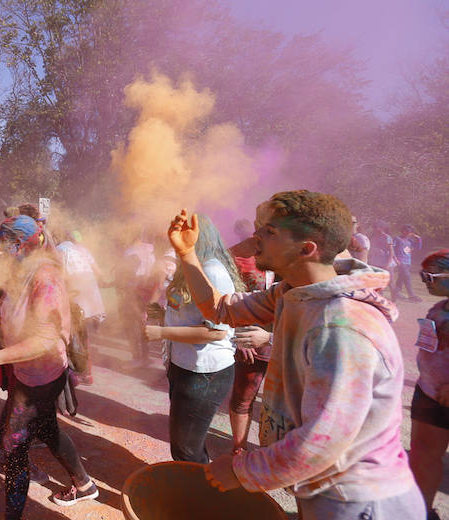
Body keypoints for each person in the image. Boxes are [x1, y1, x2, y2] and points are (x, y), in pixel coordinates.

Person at [169, 191, 424, 519]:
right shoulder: (292, 293)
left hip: (358, 503)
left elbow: (323, 440)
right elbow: (220, 308)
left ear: (306, 249)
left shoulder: (343, 326)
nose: (256, 237)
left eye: (270, 231)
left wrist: (241, 471)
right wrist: (188, 255)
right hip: (322, 488)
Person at [0, 215, 98, 519]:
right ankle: (84, 483)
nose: (1, 248)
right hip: (26, 372)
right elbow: (2, 317)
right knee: (47, 429)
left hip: (42, 374)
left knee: (14, 443)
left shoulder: (45, 278)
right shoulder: (19, 272)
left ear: (25, 243)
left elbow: (45, 339)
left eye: (7, 241)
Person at [142, 214, 243, 463]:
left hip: (204, 373)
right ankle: (197, 483)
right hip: (183, 365)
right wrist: (163, 313)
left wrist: (161, 333)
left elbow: (216, 331)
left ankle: (195, 496)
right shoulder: (189, 266)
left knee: (185, 448)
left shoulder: (212, 270)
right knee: (186, 442)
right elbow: (189, 310)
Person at [227, 219, 273, 454]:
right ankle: (239, 449)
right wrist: (238, 333)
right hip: (251, 341)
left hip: (282, 341)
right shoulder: (236, 258)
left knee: (281, 403)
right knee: (243, 397)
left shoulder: (290, 256)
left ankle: (274, 452)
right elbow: (226, 299)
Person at [409, 250, 449, 520]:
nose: (425, 281)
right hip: (428, 392)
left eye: (430, 276)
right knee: (423, 455)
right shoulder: (440, 306)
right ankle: (421, 512)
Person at [56, 230, 107, 385]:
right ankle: (87, 374)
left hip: (75, 297)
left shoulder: (61, 249)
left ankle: (76, 373)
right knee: (84, 336)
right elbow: (99, 273)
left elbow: (62, 274)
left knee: (72, 335)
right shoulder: (84, 251)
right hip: (91, 298)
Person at [393, 224, 423, 301]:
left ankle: (395, 292)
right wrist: (395, 259)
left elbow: (418, 248)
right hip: (400, 261)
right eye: (406, 231)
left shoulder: (410, 241)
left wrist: (419, 239)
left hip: (408, 262)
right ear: (402, 231)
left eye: (409, 232)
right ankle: (411, 295)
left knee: (402, 278)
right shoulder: (397, 239)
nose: (407, 233)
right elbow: (392, 249)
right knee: (407, 277)